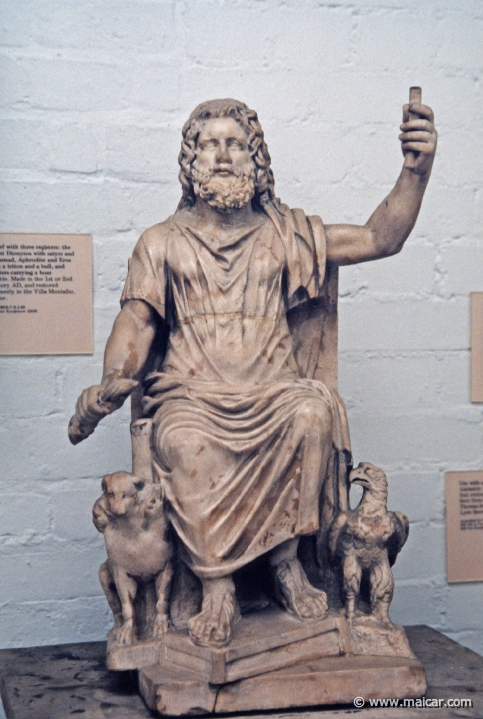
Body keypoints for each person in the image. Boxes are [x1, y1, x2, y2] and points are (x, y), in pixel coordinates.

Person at [69, 97, 437, 648]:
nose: (222, 155)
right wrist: (111, 381)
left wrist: (415, 168)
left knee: (312, 414)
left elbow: (379, 238)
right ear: (191, 161)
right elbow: (137, 321)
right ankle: (217, 586)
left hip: (273, 393)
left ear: (256, 159)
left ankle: (287, 564)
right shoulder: (162, 242)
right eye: (210, 144)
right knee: (186, 441)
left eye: (235, 144)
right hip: (191, 396)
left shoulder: (287, 234)